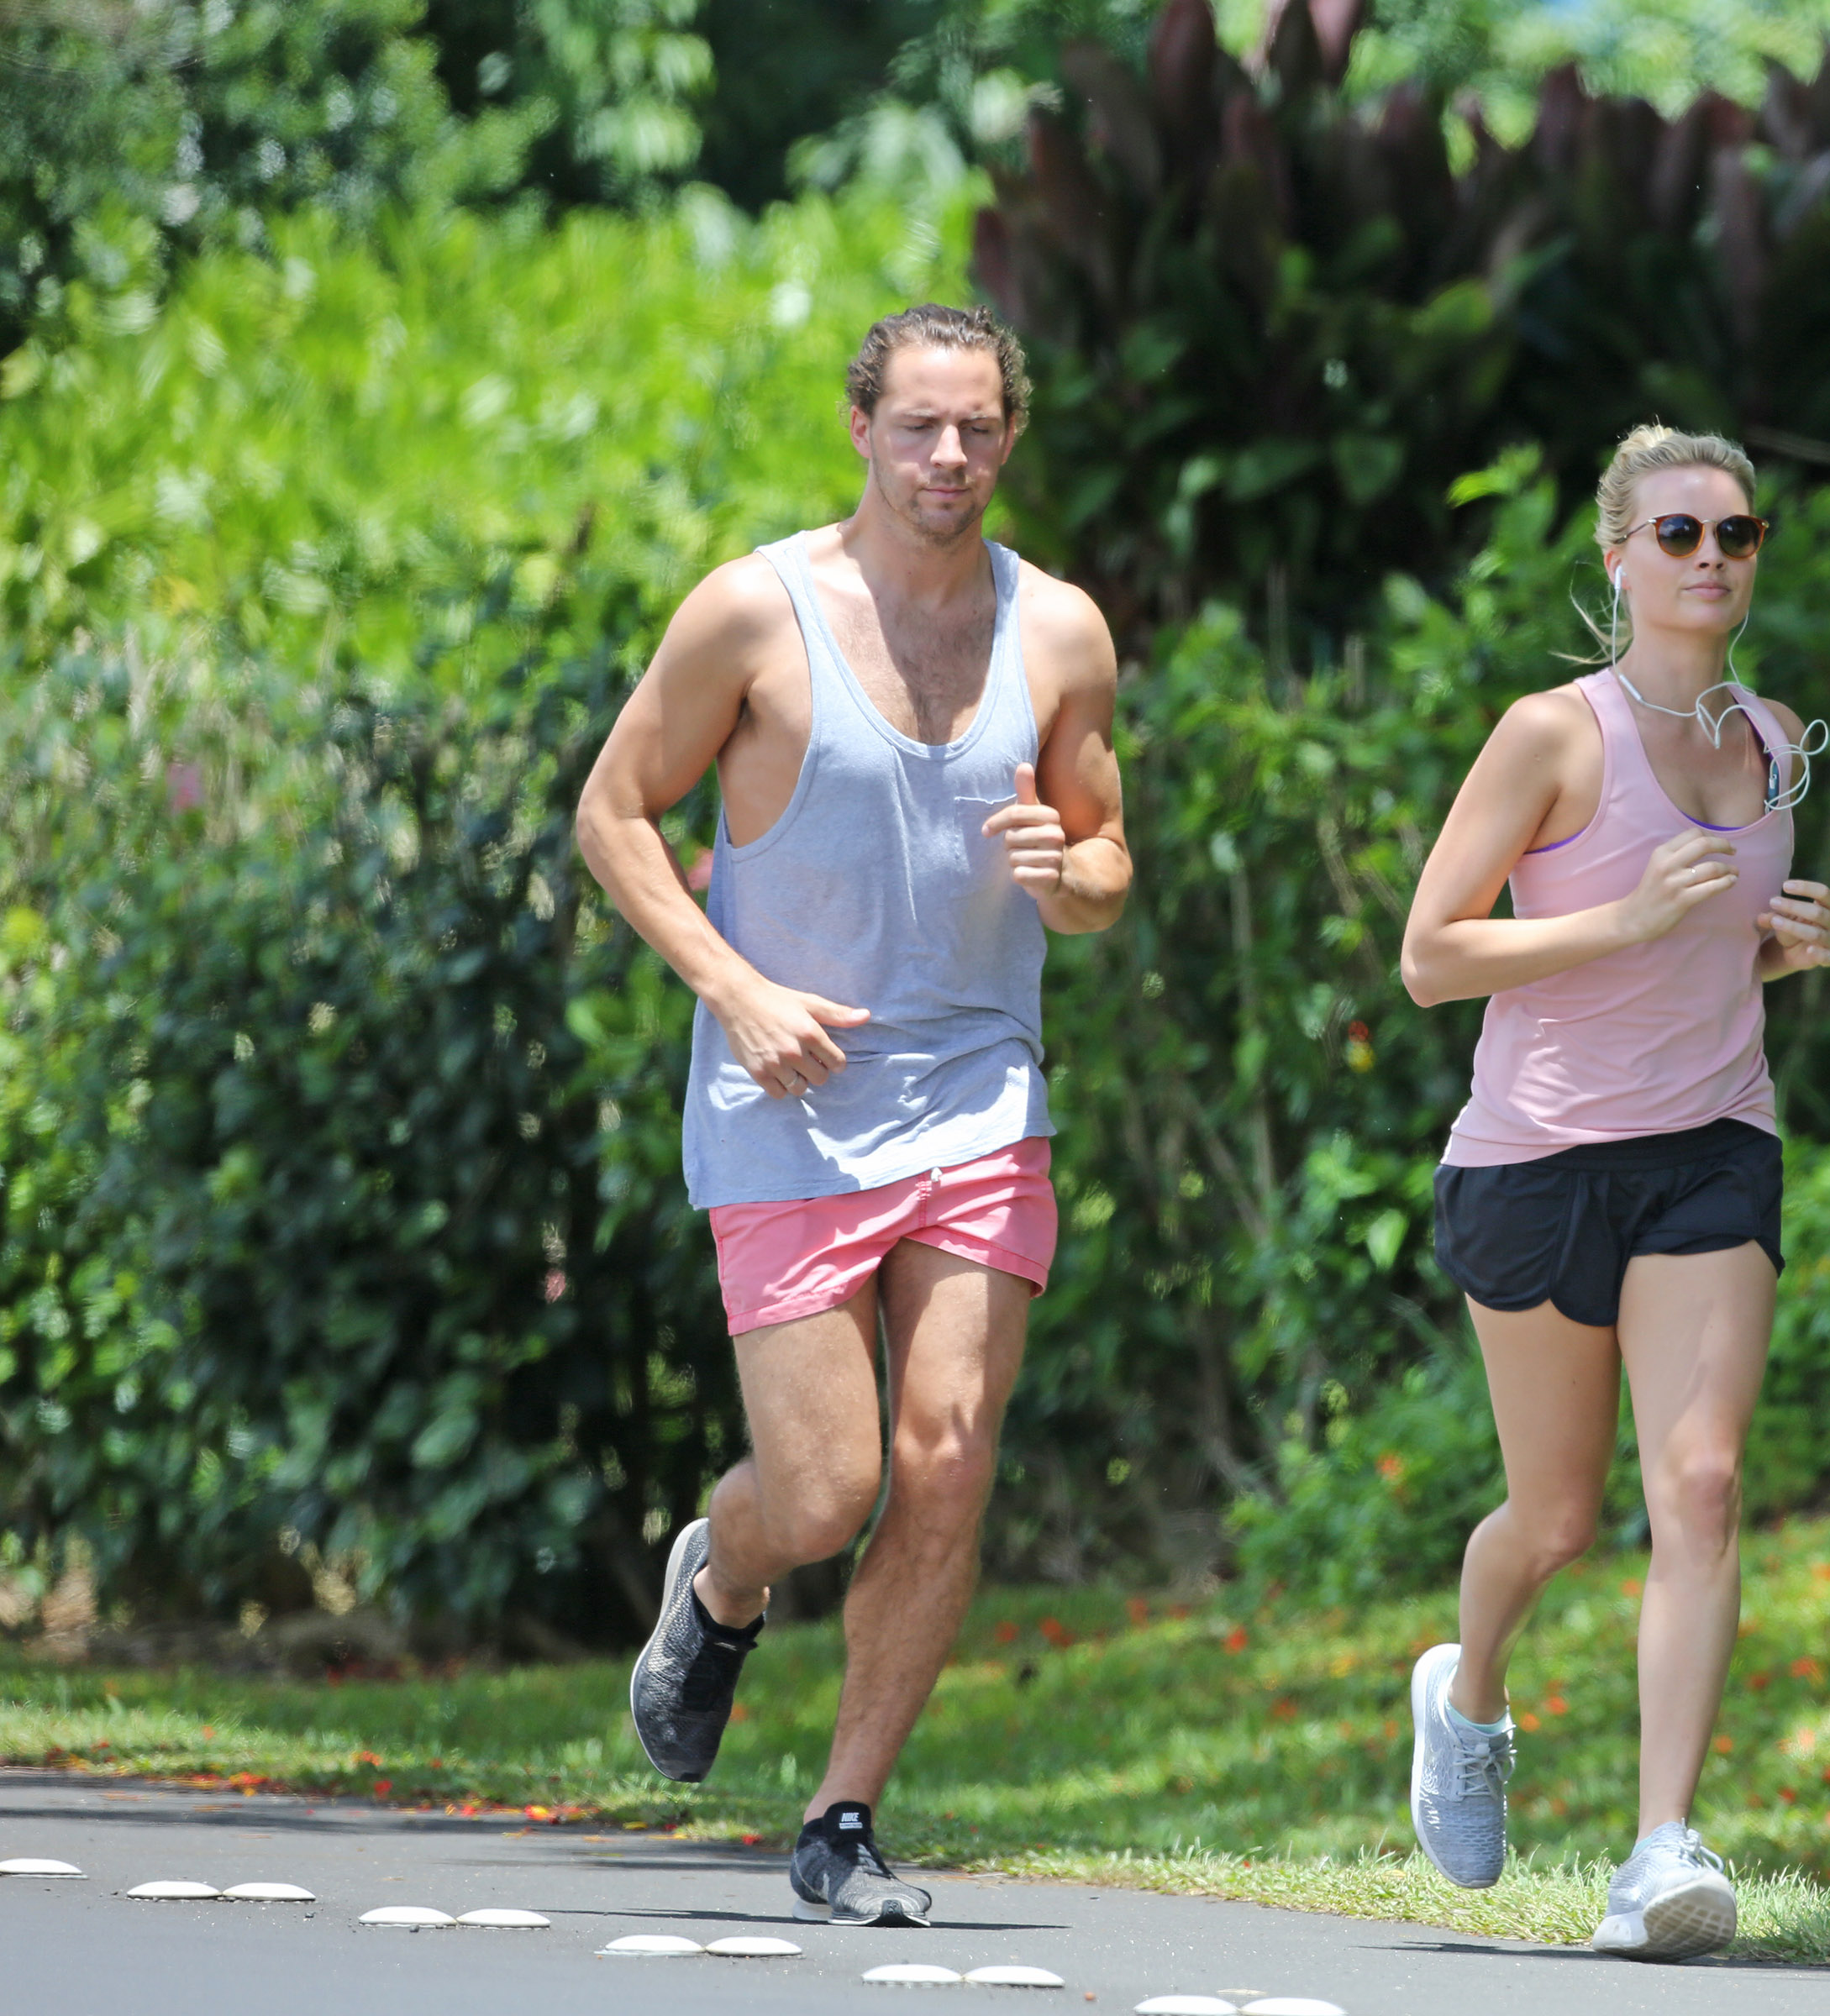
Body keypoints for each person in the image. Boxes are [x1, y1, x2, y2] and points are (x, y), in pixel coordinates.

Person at [574, 302, 1128, 1927]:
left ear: (1009, 436)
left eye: (978, 428)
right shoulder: (753, 613)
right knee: (821, 1494)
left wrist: (1072, 873)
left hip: (979, 1091)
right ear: (863, 428)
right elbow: (612, 812)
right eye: (919, 426)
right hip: (789, 1099)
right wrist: (732, 987)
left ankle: (843, 1816)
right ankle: (720, 1578)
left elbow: (1106, 862)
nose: (949, 455)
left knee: (945, 1460)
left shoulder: (1059, 631)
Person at [1395, 425, 1830, 1961]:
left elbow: (1713, 959)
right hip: (1536, 1161)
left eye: (1737, 533)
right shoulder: (1552, 737)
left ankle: (1661, 1852)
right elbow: (1430, 955)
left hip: (1714, 1148)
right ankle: (1466, 1699)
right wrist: (1625, 918)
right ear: (1619, 559)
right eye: (1679, 533)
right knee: (1556, 1518)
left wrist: (1787, 945)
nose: (1712, 556)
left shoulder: (1772, 742)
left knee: (1701, 1486)